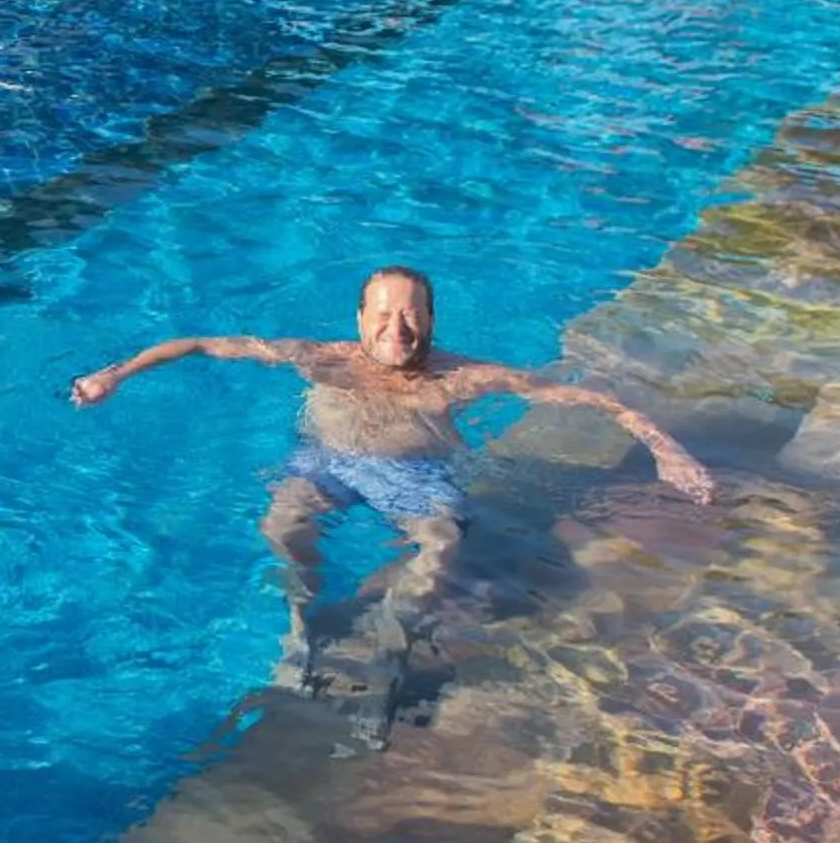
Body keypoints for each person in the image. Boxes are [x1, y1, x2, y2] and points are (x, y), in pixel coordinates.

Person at [71, 265, 713, 680]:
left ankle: (394, 639)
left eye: (410, 314)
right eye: (382, 313)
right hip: (327, 463)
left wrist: (666, 449)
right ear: (359, 319)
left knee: (442, 544)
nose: (396, 327)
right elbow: (199, 344)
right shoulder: (320, 359)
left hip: (418, 476)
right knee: (281, 522)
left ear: (432, 321)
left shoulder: (465, 376)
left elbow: (591, 400)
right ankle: (300, 630)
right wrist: (113, 375)